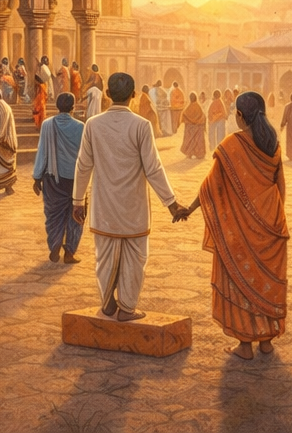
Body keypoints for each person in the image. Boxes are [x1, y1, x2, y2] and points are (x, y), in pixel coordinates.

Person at [174, 91, 287, 360]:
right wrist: (273, 218)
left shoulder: (231, 145)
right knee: (264, 282)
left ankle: (245, 345)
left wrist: (189, 208)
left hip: (240, 227)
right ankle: (266, 341)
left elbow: (211, 185)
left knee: (240, 280)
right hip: (270, 224)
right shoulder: (272, 143)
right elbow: (279, 186)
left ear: (239, 115)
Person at [72, 72, 181, 323]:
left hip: (104, 207)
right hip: (134, 208)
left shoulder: (93, 125)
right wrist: (171, 204)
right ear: (133, 95)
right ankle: (127, 308)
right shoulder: (141, 125)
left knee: (104, 257)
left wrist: (77, 201)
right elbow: (153, 168)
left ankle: (108, 303)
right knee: (135, 258)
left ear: (108, 94)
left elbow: (83, 165)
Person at [34, 92, 85, 263]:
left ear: (57, 106)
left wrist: (36, 177)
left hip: (53, 180)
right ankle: (69, 253)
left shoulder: (47, 124)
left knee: (54, 215)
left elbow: (42, 152)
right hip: (76, 181)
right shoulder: (81, 127)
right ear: (73, 107)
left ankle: (55, 246)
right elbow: (85, 156)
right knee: (76, 215)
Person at [181, 92, 208, 159]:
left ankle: (190, 153)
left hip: (190, 128)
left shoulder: (188, 107)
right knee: (198, 140)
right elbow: (203, 117)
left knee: (190, 140)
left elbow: (184, 116)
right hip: (198, 127)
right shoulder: (198, 107)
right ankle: (199, 154)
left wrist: (190, 122)